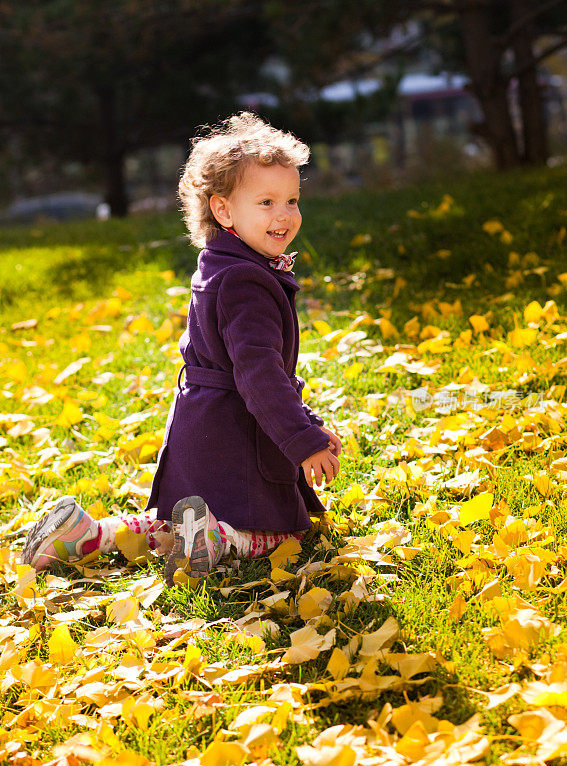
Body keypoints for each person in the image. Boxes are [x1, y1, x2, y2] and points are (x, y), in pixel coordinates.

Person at [21, 112, 341, 587]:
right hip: (237, 434)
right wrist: (303, 440)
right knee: (279, 532)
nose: (284, 214)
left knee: (174, 523)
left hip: (199, 424)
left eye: (292, 200)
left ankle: (87, 535)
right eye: (267, 201)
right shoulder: (247, 281)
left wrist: (307, 419)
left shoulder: (220, 263)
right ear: (224, 211)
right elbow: (260, 376)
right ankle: (216, 539)